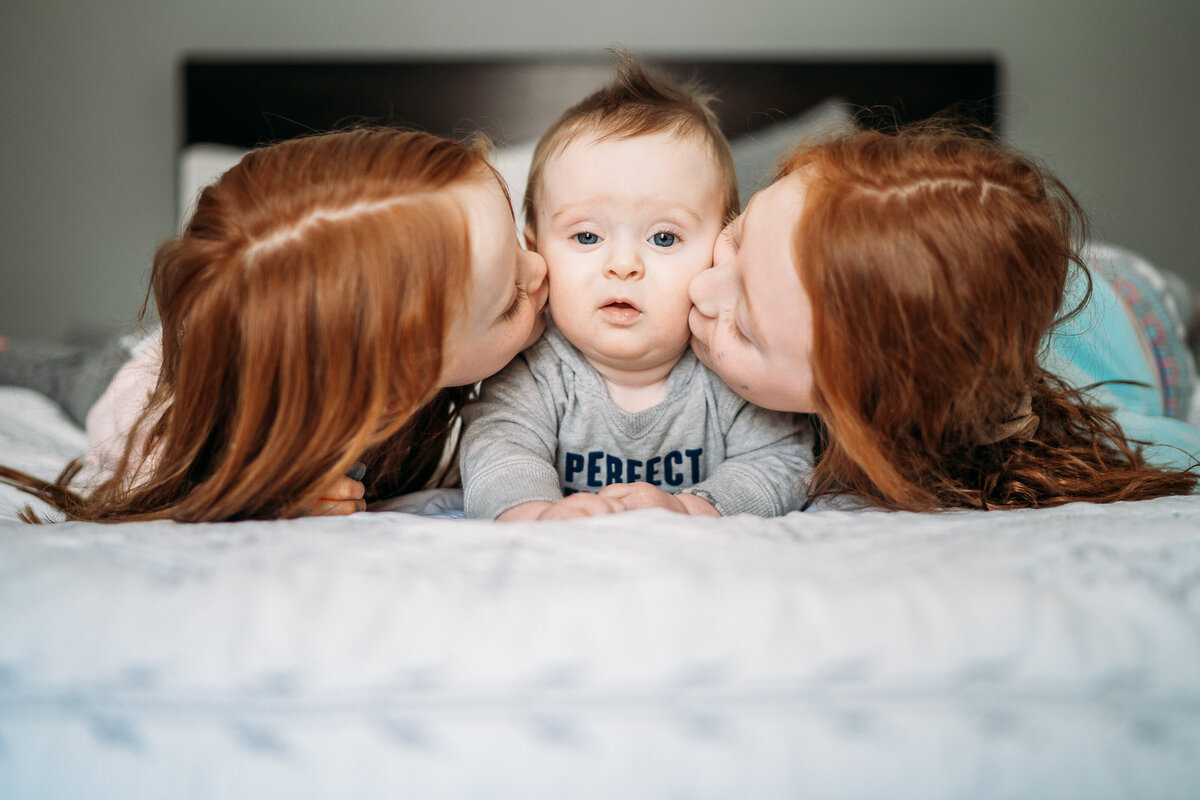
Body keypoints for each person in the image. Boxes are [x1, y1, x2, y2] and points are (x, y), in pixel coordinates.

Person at [0, 127, 549, 522]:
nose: (542, 267)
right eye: (511, 299)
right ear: (400, 374)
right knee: (68, 370)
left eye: (523, 239)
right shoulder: (169, 427)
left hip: (212, 343)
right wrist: (267, 497)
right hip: (135, 374)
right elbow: (162, 484)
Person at [684, 123, 1199, 511]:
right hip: (1036, 285)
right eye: (735, 233)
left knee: (1172, 298)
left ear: (871, 405)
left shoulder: (1067, 442)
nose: (699, 289)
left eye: (743, 329)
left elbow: (1181, 453)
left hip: (1130, 315)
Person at [458, 57, 814, 521]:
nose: (623, 266)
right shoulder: (536, 371)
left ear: (720, 252)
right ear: (536, 254)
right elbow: (497, 450)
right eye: (587, 237)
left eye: (664, 238)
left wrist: (695, 507)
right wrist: (534, 515)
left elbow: (781, 460)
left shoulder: (732, 366)